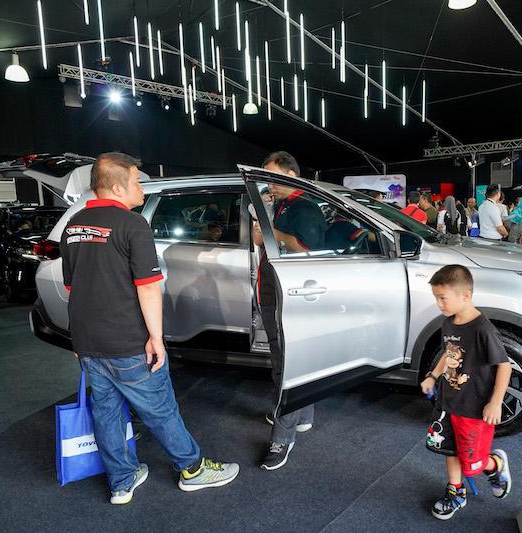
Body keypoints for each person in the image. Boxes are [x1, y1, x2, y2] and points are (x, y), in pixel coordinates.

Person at [60, 152, 238, 504]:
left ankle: (121, 482)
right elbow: (148, 287)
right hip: (127, 341)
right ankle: (193, 470)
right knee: (160, 409)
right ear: (117, 187)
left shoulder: (74, 225)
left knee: (107, 413)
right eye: (137, 181)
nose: (142, 188)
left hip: (88, 341)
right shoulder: (133, 224)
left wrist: (79, 339)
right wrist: (156, 338)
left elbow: (71, 288)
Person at [252, 151, 327, 470]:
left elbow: (308, 248)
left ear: (292, 175)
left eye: (273, 177)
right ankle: (303, 416)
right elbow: (266, 242)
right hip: (275, 291)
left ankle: (282, 438)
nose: (269, 184)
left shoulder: (305, 207)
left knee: (287, 366)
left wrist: (269, 234)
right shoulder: (281, 204)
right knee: (283, 359)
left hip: (292, 295)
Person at [420, 265, 512, 520]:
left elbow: (504, 366)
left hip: (473, 409)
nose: (439, 304)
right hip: (448, 402)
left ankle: (494, 465)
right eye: (436, 298)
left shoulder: (483, 329)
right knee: (449, 450)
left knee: (473, 463)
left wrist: (496, 402)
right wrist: (432, 376)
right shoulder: (448, 323)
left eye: (443, 298)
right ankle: (455, 492)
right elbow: (448, 354)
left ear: (465, 296)